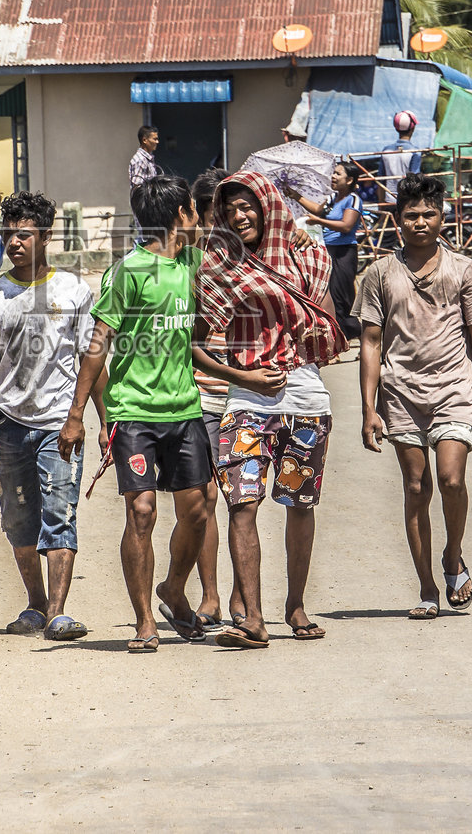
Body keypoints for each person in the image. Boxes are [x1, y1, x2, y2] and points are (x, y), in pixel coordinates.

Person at [194, 171, 347, 649]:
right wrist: (241, 375)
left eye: (249, 207)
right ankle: (253, 619)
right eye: (231, 210)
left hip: (303, 392)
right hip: (245, 396)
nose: (240, 217)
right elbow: (195, 339)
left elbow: (328, 326)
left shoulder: (308, 257)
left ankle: (296, 605)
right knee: (242, 502)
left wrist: (305, 330)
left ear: (267, 207)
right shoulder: (217, 267)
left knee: (299, 503)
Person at [61, 174, 212, 653]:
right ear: (179, 217)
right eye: (192, 210)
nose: (198, 218)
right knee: (142, 511)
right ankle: (145, 618)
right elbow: (97, 346)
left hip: (185, 409)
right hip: (134, 411)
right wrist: (76, 413)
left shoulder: (191, 262)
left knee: (197, 511)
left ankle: (173, 588)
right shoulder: (127, 272)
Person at [356, 172, 472, 621]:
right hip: (400, 394)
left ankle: (452, 558)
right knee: (416, 487)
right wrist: (368, 408)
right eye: (411, 215)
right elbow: (371, 342)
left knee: (452, 479)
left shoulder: (463, 270)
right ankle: (426, 587)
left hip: (454, 389)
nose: (420, 222)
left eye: (429, 214)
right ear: (397, 220)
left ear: (443, 217)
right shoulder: (379, 273)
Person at [0, 191, 98, 642]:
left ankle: (59, 612)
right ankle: (36, 604)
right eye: (8, 234)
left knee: (59, 512)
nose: (13, 242)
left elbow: (89, 359)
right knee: (18, 519)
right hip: (7, 423)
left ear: (46, 236)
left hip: (59, 422)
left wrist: (92, 418)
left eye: (23, 234)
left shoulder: (74, 290)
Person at [186, 168, 230, 632]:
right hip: (199, 389)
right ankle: (211, 595)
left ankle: (243, 595)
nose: (226, 219)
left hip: (247, 391)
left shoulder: (255, 259)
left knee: (243, 497)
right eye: (216, 210)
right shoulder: (187, 262)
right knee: (204, 496)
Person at [296, 160, 369, 341]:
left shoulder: (353, 199)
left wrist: (319, 221)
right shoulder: (332, 198)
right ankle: (346, 337)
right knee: (331, 295)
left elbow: (346, 226)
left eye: (338, 174)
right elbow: (317, 210)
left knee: (341, 297)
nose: (333, 177)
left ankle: (358, 336)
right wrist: (296, 196)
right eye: (333, 173)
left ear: (350, 180)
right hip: (328, 251)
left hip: (344, 253)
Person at [378, 111, 423, 204]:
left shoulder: (385, 150)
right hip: (406, 201)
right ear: (413, 128)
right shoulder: (415, 152)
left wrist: (381, 205)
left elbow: (380, 180)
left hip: (388, 200)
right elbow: (414, 179)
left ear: (396, 128)